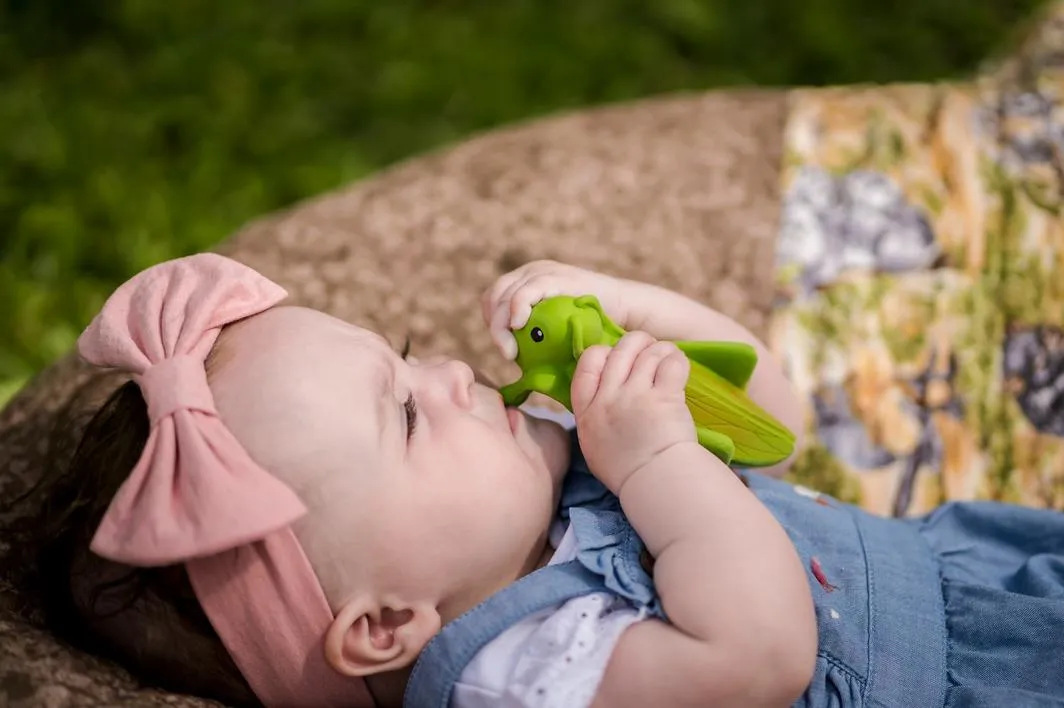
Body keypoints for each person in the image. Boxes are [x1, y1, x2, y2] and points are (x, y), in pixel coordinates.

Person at [20, 253, 1064, 708]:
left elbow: (775, 430)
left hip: (971, 573)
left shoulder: (545, 464)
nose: (447, 375)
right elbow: (761, 655)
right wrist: (652, 460)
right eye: (407, 413)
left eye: (405, 352)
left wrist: (624, 310)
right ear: (386, 625)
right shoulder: (520, 672)